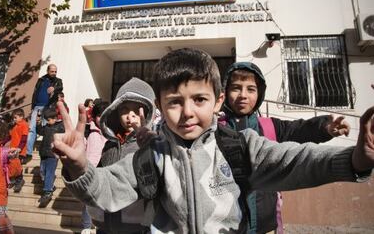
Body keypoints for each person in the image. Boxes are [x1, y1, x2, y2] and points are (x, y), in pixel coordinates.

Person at [53, 49, 374, 234]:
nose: (188, 112)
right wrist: (80, 166)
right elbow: (106, 189)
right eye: (175, 101)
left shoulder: (242, 146)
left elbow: (297, 161)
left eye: (200, 99)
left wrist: (355, 159)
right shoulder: (151, 156)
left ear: (218, 102)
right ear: (161, 108)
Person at [221, 62, 351, 233]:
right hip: (226, 226)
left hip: (265, 225)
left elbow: (300, 129)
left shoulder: (270, 127)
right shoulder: (215, 130)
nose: (243, 95)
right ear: (224, 92)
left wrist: (325, 127)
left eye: (251, 89)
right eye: (236, 88)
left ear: (260, 94)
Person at [85, 77, 155, 234]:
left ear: (149, 112)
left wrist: (149, 147)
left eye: (137, 110)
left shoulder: (153, 144)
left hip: (136, 226)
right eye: (124, 109)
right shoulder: (109, 144)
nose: (130, 116)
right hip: (104, 225)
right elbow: (98, 179)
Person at [81, 100, 109, 234]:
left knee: (103, 202)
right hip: (91, 170)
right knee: (89, 201)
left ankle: (100, 226)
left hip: (106, 171)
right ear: (94, 116)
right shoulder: (88, 130)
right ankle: (86, 226)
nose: (102, 119)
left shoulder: (113, 132)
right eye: (99, 115)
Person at [26, 64, 63, 164]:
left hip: (48, 108)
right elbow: (35, 94)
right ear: (47, 71)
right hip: (37, 107)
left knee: (47, 129)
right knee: (32, 129)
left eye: (55, 71)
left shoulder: (58, 81)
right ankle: (28, 153)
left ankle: (48, 151)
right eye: (52, 71)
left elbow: (60, 88)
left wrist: (54, 89)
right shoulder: (41, 80)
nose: (54, 73)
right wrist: (32, 107)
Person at [36, 108, 65, 208]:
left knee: (49, 172)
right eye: (47, 119)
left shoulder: (61, 126)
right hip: (43, 152)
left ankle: (47, 192)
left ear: (55, 118)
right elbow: (39, 131)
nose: (48, 121)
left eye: (49, 119)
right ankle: (51, 186)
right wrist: (38, 122)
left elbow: (66, 137)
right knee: (42, 172)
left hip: (53, 154)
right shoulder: (46, 127)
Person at [9, 108, 29, 193]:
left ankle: (19, 181)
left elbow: (24, 138)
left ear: (21, 116)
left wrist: (20, 148)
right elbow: (9, 137)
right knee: (12, 165)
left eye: (15, 117)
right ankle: (13, 180)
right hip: (13, 150)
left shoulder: (24, 124)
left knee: (17, 166)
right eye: (13, 118)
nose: (14, 119)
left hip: (19, 150)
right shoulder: (15, 126)